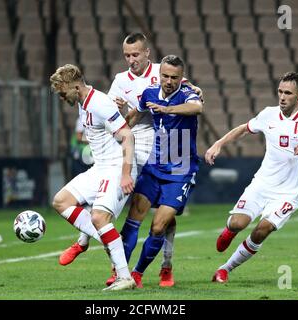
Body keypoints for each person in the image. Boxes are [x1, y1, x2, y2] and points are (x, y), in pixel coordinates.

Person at [59, 33, 202, 287]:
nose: (131, 60)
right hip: (130, 138)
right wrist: (119, 109)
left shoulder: (163, 71)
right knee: (126, 206)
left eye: (136, 54)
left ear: (147, 53)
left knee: (162, 215)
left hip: (156, 144)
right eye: (127, 55)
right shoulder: (121, 80)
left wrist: (193, 91)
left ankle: (165, 264)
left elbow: (188, 91)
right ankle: (110, 261)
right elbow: (118, 113)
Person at [204, 72, 298, 283]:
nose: (282, 97)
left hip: (289, 192)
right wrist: (218, 144)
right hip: (262, 184)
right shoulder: (268, 114)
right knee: (238, 223)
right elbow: (244, 129)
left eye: (288, 93)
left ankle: (225, 269)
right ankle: (229, 230)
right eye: (280, 91)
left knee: (262, 230)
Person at [50, 64, 137, 291]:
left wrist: (126, 174)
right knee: (61, 201)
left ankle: (125, 277)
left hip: (117, 167)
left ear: (75, 86)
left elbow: (128, 136)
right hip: (100, 167)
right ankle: (104, 241)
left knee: (99, 218)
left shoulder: (98, 103)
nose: (61, 96)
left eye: (62, 92)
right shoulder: (83, 102)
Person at [124, 54, 203, 288]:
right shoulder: (149, 93)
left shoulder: (188, 94)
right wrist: (116, 130)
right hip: (154, 164)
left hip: (180, 168)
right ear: (159, 75)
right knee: (133, 218)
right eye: (165, 76)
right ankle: (120, 272)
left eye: (174, 77)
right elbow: (135, 115)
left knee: (159, 225)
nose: (169, 81)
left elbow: (197, 108)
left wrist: (168, 110)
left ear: (182, 77)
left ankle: (140, 272)